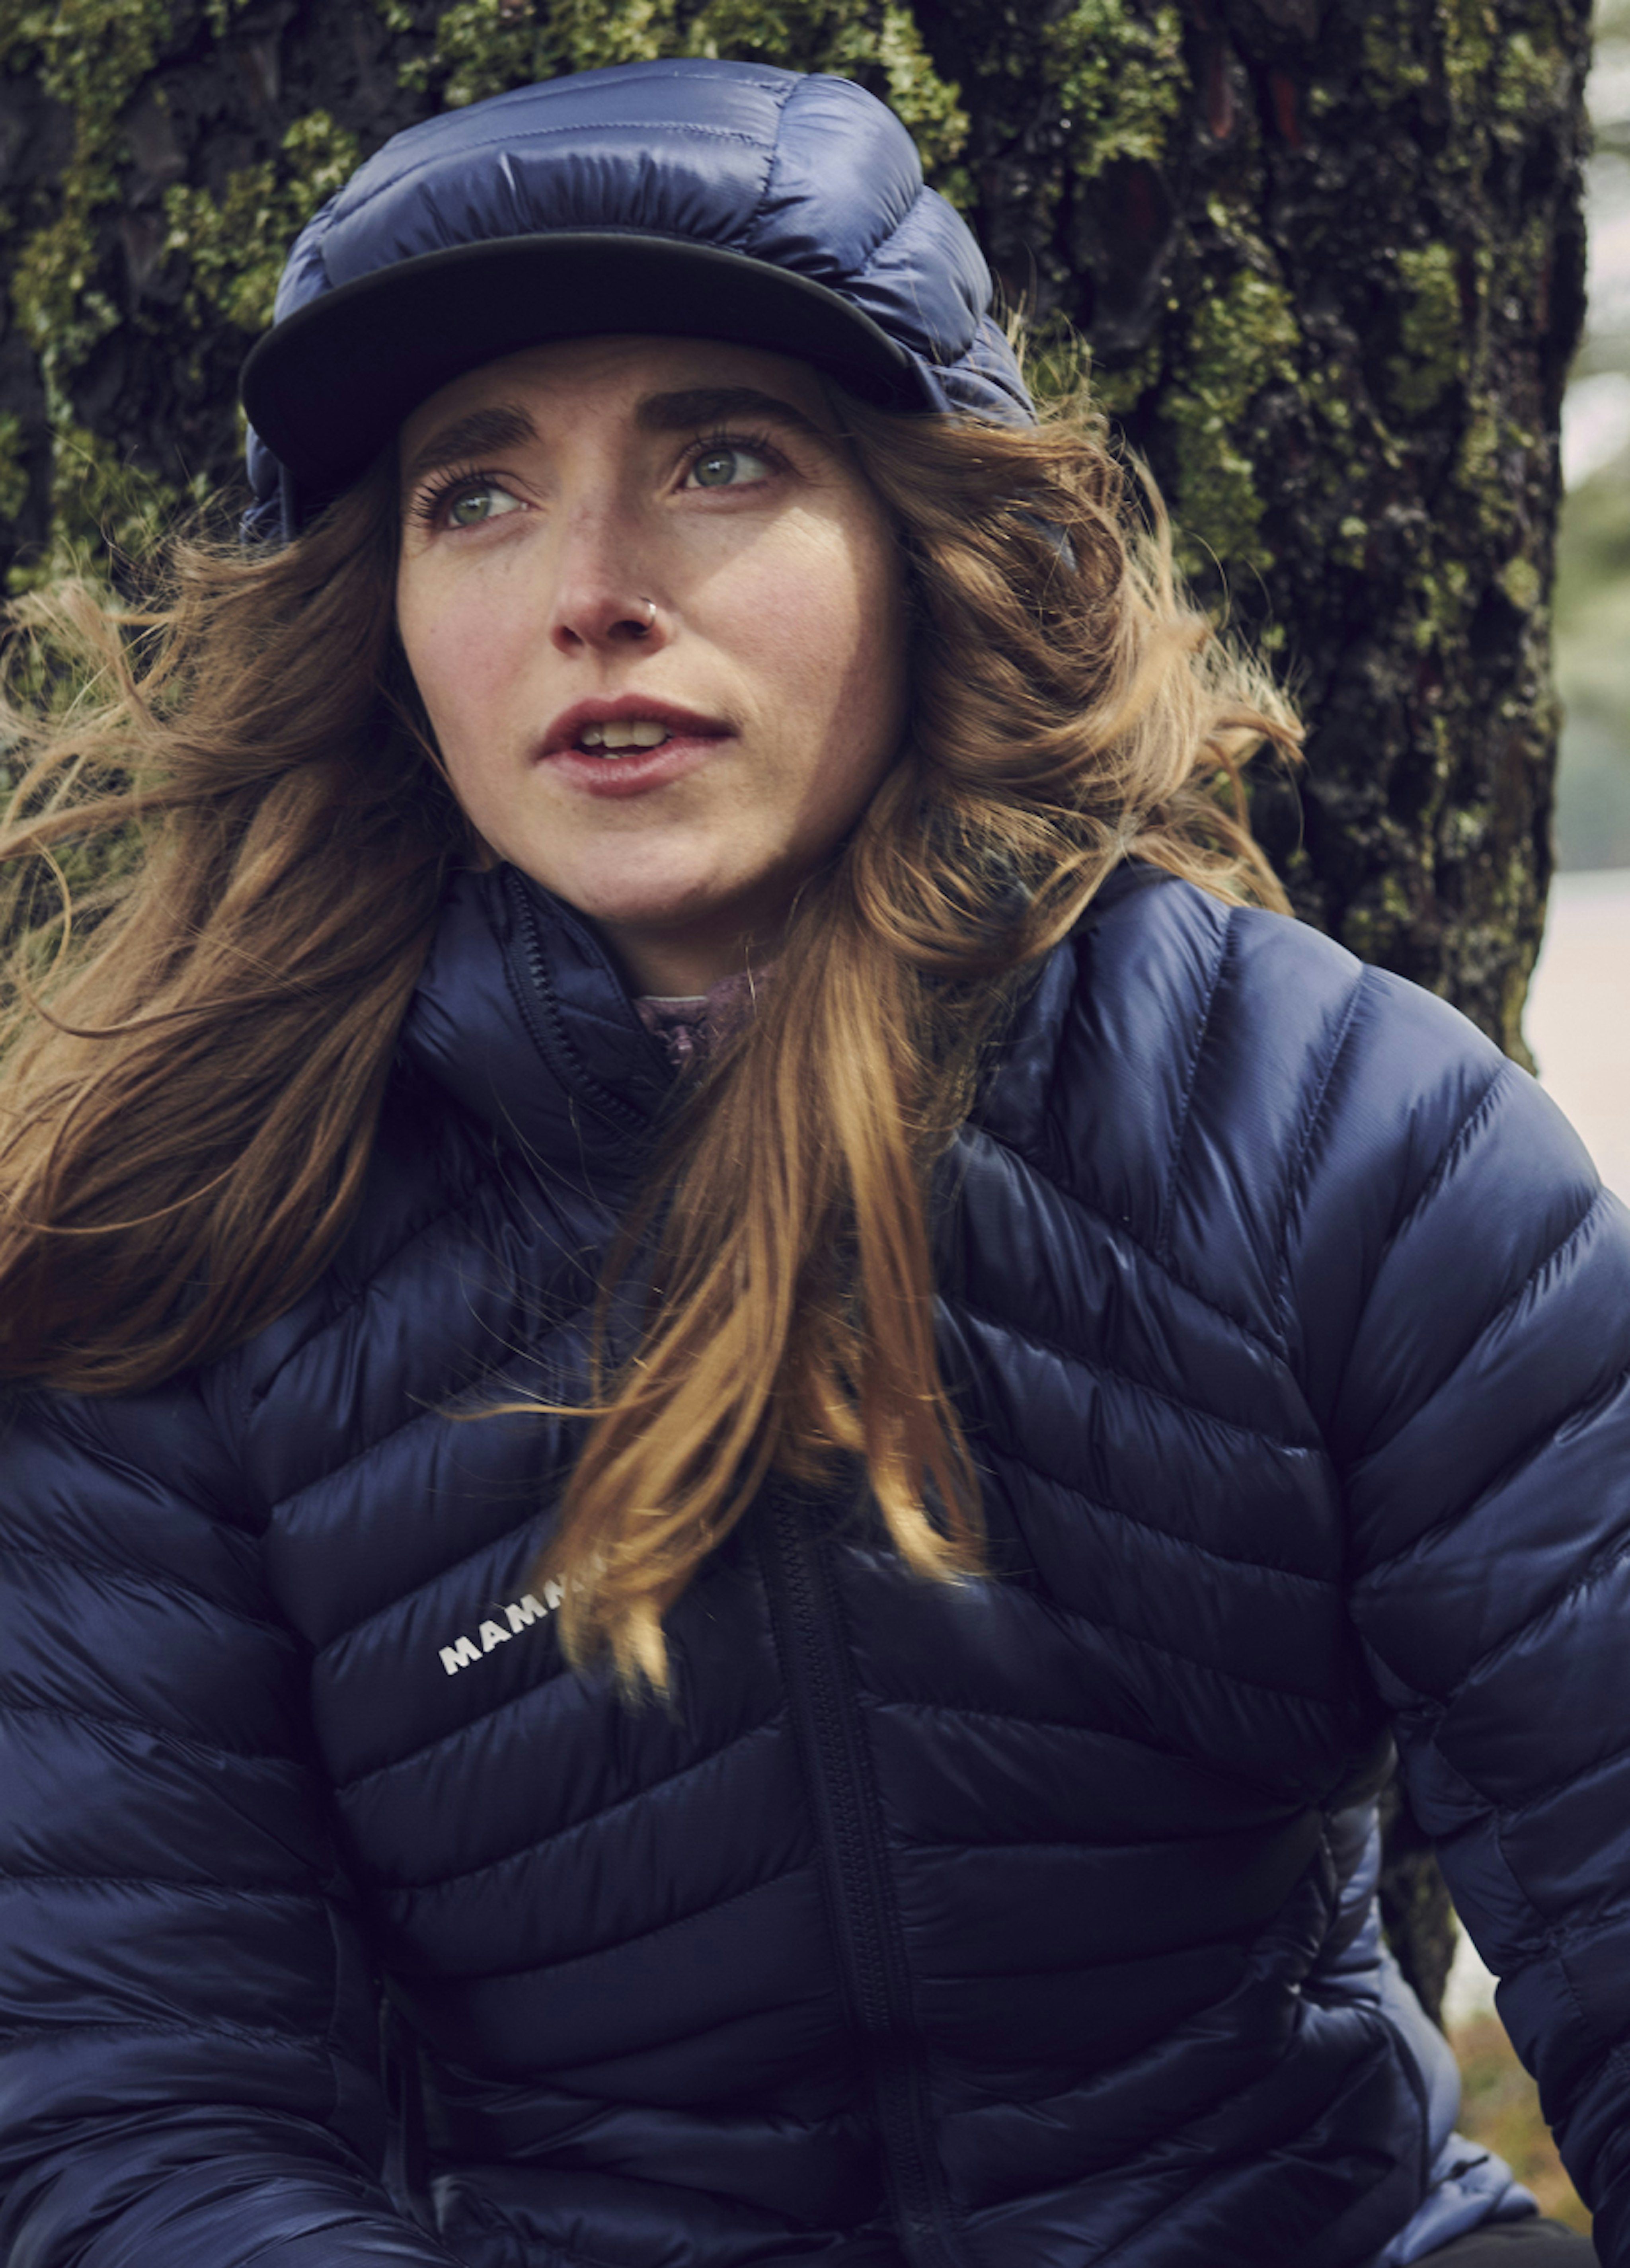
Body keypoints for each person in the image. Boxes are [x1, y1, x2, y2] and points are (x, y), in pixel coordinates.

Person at [0, 55, 1622, 2268]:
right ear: (382, 622)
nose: (592, 590)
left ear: (926, 544)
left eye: (724, 457)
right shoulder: (189, 1244)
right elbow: (133, 2114)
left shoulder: (1340, 1133)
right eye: (477, 494)